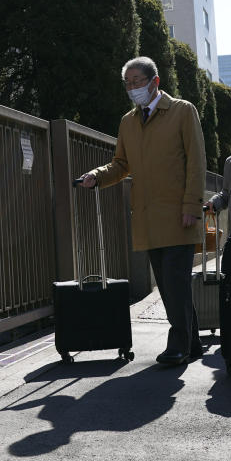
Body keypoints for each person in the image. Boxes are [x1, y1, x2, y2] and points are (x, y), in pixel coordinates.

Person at [79, 56, 206, 366]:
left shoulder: (182, 111)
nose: (133, 88)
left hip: (178, 214)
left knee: (175, 282)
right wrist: (98, 175)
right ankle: (194, 342)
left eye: (138, 81)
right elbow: (121, 164)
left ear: (155, 82)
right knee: (168, 284)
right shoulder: (128, 121)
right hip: (148, 217)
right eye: (128, 83)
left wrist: (191, 206)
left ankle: (178, 345)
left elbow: (196, 162)